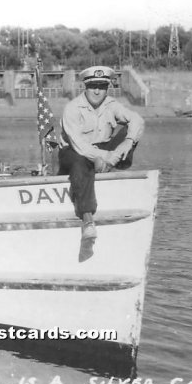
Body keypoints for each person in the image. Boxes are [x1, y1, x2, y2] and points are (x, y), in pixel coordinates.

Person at [58, 66, 145, 261]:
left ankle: (114, 166)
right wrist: (104, 156)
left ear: (107, 88)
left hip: (104, 153)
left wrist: (123, 147)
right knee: (80, 162)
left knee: (130, 131)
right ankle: (87, 219)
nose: (97, 91)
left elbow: (137, 120)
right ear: (85, 87)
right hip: (74, 152)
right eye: (92, 86)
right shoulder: (72, 108)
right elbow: (79, 146)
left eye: (102, 86)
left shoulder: (111, 105)